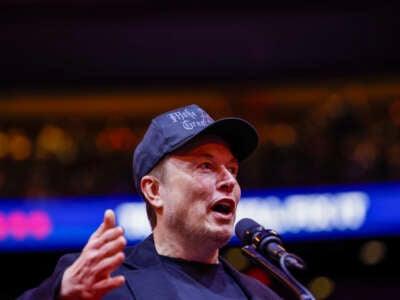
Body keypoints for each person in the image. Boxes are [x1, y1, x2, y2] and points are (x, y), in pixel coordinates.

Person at [18, 104, 282, 300]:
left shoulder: (261, 295)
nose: (229, 181)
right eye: (205, 166)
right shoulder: (101, 281)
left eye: (232, 169)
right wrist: (59, 295)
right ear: (154, 190)